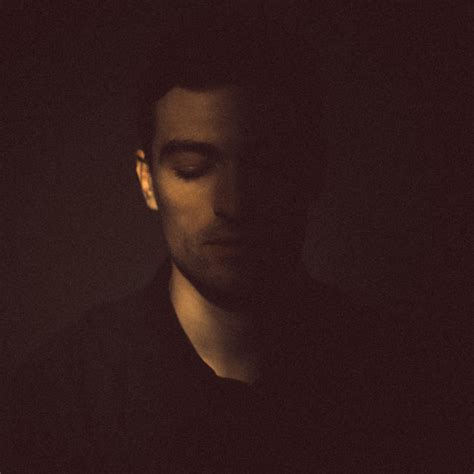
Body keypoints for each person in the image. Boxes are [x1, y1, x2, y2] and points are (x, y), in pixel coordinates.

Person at [1, 8, 438, 473]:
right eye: (192, 168)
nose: (232, 202)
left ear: (311, 170)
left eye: (265, 164)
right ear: (147, 181)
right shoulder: (61, 401)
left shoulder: (404, 381)